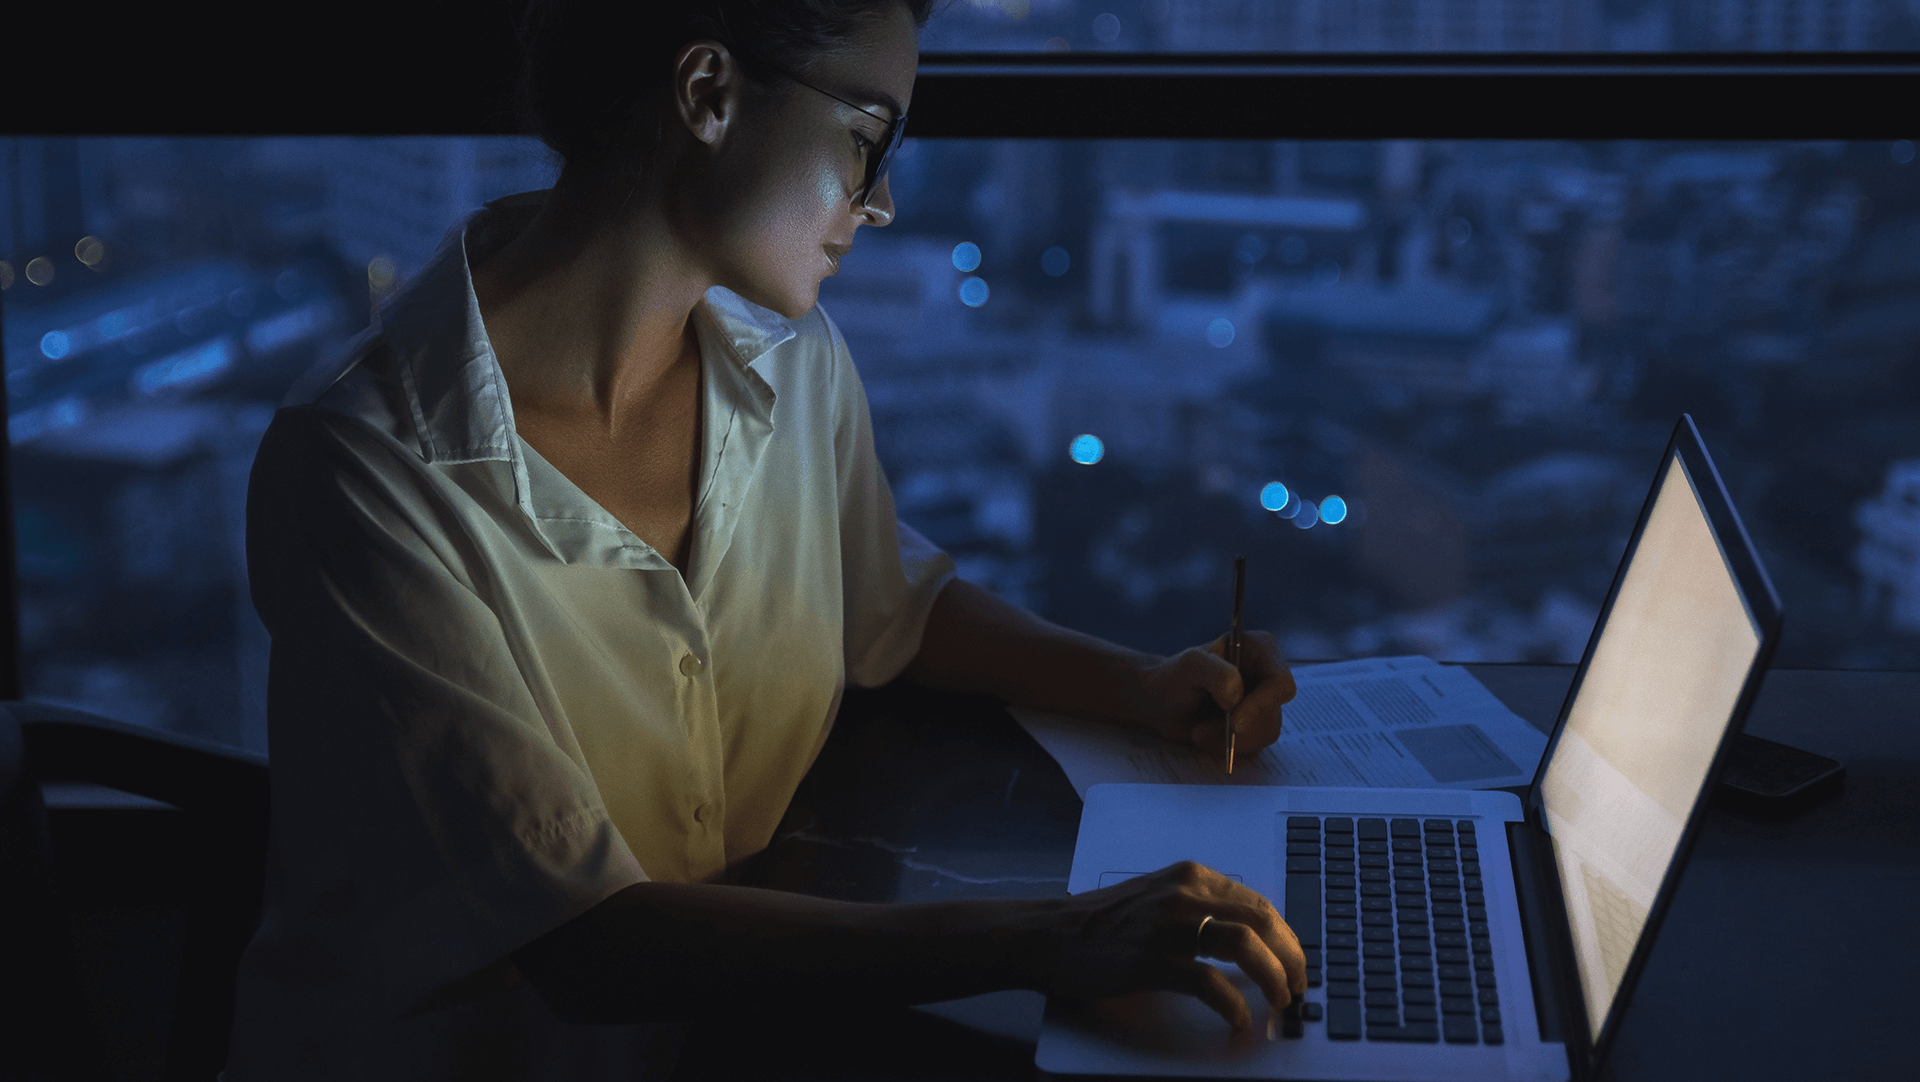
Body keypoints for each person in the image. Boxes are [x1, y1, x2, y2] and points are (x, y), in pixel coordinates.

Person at [224, 1, 1305, 1078]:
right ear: (709, 95)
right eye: (866, 137)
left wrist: (1144, 683)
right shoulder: (367, 469)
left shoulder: (790, 358)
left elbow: (889, 602)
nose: (878, 201)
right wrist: (1052, 933)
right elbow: (580, 941)